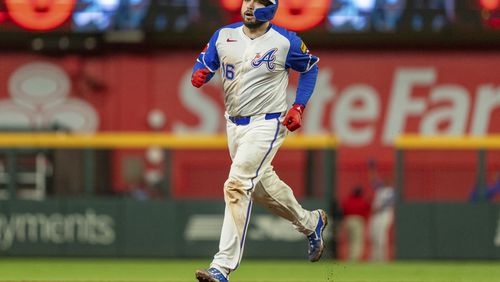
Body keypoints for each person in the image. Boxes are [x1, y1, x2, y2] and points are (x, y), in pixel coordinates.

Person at [190, 1, 326, 281]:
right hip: (234, 125)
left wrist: (298, 106)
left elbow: (310, 68)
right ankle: (311, 223)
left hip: (268, 123)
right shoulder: (224, 35)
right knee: (263, 189)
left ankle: (222, 266)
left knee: (237, 184)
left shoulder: (285, 40)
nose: (250, 6)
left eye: (259, 1)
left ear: (272, 8)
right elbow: (204, 63)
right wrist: (199, 74)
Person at [367, 159, 395, 261]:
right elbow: (373, 180)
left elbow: (389, 203)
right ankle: (374, 257)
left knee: (381, 236)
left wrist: (379, 208)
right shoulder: (381, 189)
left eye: (389, 180)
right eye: (385, 180)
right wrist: (372, 169)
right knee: (373, 235)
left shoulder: (392, 192)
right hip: (376, 215)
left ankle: (383, 257)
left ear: (392, 182)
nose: (386, 181)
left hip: (385, 214)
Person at [341, 186, 370, 261]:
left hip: (348, 219)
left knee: (350, 240)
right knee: (357, 240)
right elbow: (366, 210)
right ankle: (354, 259)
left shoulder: (348, 200)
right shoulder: (362, 201)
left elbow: (343, 209)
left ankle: (350, 257)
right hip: (358, 220)